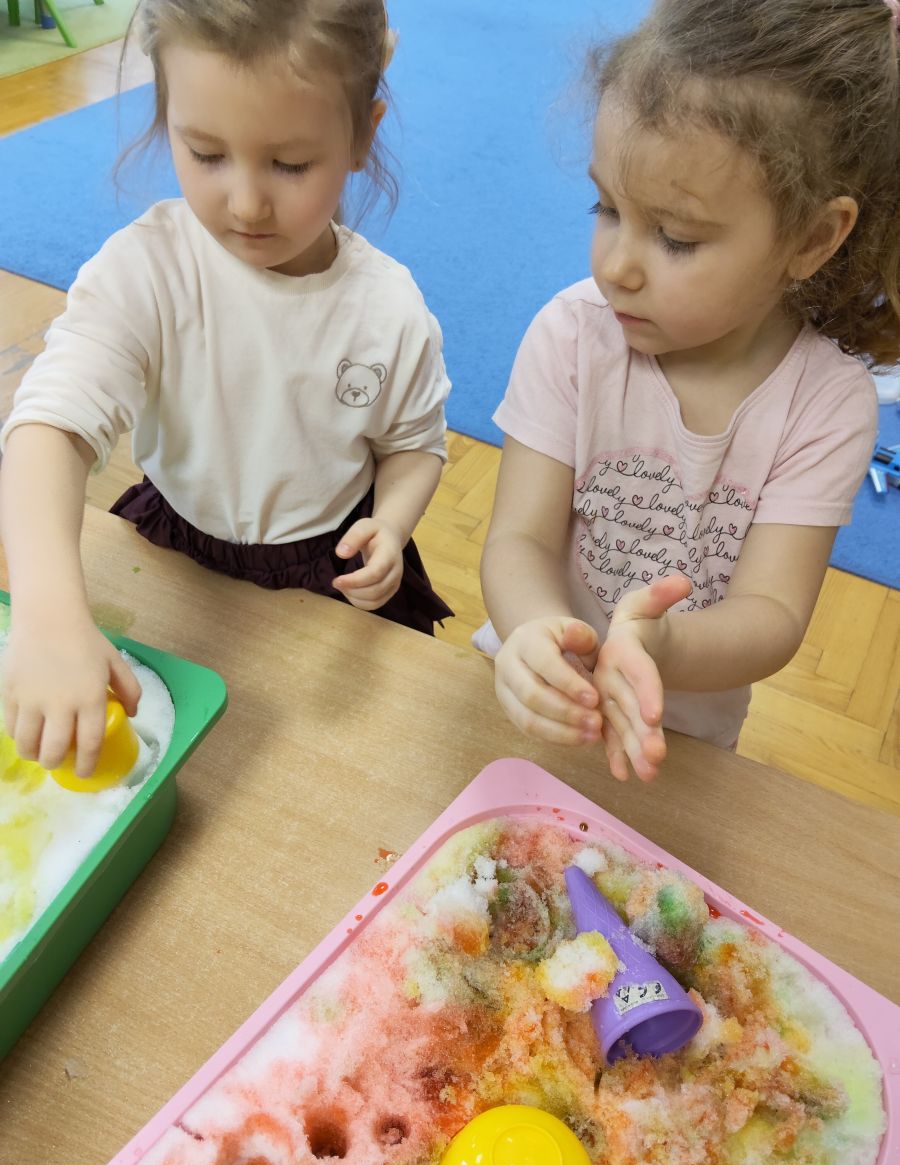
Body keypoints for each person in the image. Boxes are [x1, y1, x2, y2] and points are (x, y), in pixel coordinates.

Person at [0, 0, 452, 779]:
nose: (245, 203)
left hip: (330, 573)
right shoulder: (148, 270)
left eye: (290, 164)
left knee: (322, 775)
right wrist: (46, 615)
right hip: (176, 547)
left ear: (362, 135)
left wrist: (393, 521)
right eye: (206, 152)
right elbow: (51, 425)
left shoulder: (389, 310)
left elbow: (413, 445)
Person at [478, 0, 899, 782]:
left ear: (812, 238)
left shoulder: (827, 404)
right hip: (536, 704)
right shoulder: (573, 336)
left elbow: (773, 614)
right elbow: (518, 541)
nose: (617, 267)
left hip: (678, 745)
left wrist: (662, 645)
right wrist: (535, 634)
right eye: (607, 208)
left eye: (675, 237)